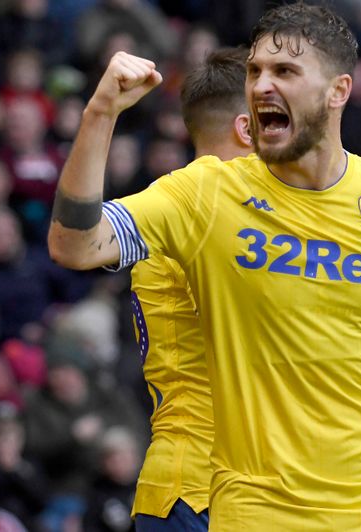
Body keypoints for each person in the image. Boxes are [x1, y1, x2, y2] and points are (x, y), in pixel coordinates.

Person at [47, 4, 361, 531]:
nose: (263, 84)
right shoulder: (207, 194)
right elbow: (75, 245)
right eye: (254, 71)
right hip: (249, 510)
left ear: (338, 91)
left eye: (284, 72)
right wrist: (101, 113)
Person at [129, 46, 252, 531]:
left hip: (203, 484)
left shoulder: (194, 204)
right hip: (198, 489)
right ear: (249, 125)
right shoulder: (206, 209)